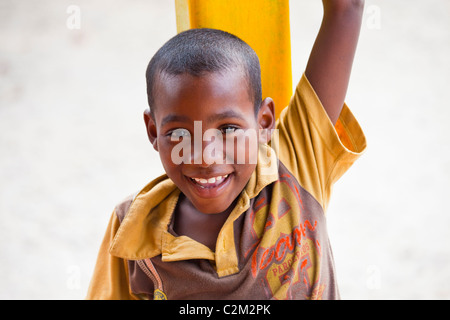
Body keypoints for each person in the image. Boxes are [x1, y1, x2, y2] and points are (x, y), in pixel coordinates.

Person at [87, 0, 367, 300]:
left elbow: (347, 8)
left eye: (229, 129)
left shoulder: (295, 164)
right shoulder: (134, 229)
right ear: (153, 131)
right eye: (180, 133)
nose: (206, 157)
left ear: (264, 122)